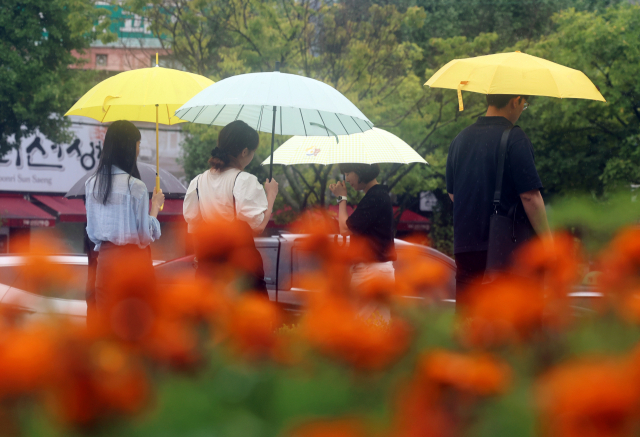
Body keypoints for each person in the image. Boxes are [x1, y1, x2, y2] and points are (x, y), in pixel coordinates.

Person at [446, 94, 551, 305]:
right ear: (516, 100)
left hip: (466, 247)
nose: (523, 109)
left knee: (470, 320)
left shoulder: (460, 139)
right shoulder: (514, 137)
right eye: (525, 104)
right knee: (508, 320)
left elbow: (453, 194)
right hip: (506, 249)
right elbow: (530, 196)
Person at [183, 120, 278, 297]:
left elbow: (194, 228)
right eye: (253, 152)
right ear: (244, 152)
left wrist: (200, 260)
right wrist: (271, 195)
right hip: (240, 267)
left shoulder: (198, 182)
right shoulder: (243, 180)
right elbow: (258, 226)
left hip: (209, 265)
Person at [85, 120, 165, 316]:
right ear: (129, 147)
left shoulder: (92, 183)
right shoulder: (135, 186)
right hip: (132, 262)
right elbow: (145, 236)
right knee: (134, 321)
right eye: (138, 145)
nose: (138, 150)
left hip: (104, 261)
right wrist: (154, 207)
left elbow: (92, 232)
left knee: (106, 321)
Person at [329, 163, 396, 320]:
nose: (346, 178)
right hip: (379, 271)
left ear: (360, 171)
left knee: (354, 327)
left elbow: (345, 229)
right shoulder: (378, 195)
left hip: (371, 272)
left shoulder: (375, 197)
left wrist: (341, 199)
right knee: (380, 329)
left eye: (348, 173)